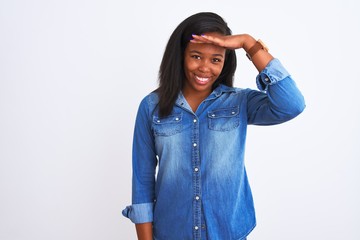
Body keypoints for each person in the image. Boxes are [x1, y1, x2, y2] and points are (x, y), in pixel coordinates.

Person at [122, 12, 305, 240]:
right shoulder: (151, 107)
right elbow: (142, 181)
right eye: (196, 56)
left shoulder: (239, 102)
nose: (205, 68)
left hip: (229, 233)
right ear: (180, 55)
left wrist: (249, 43)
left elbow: (292, 104)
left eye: (216, 59)